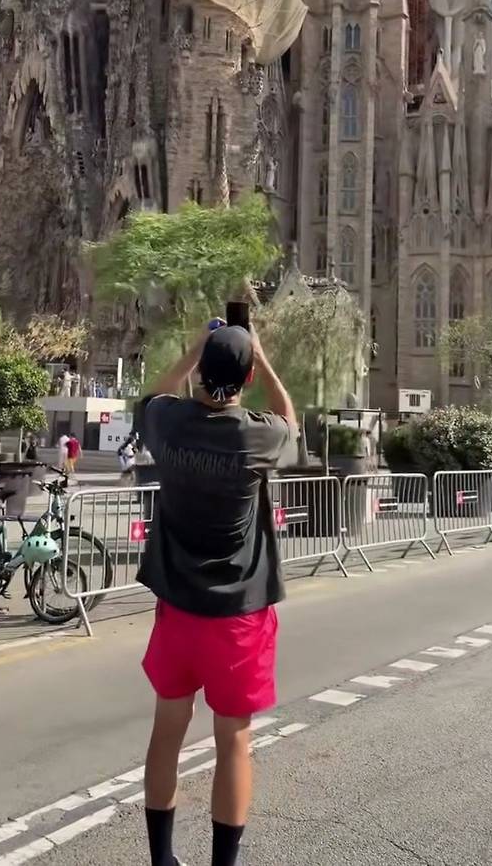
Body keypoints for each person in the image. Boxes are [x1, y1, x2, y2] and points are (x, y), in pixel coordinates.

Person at [137, 322, 298, 866]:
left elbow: (153, 396)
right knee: (233, 742)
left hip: (177, 609)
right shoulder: (256, 435)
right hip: (237, 616)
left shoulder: (169, 423)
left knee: (167, 729)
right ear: (247, 379)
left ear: (201, 371)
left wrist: (193, 350)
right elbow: (290, 420)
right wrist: (263, 358)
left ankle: (162, 858)